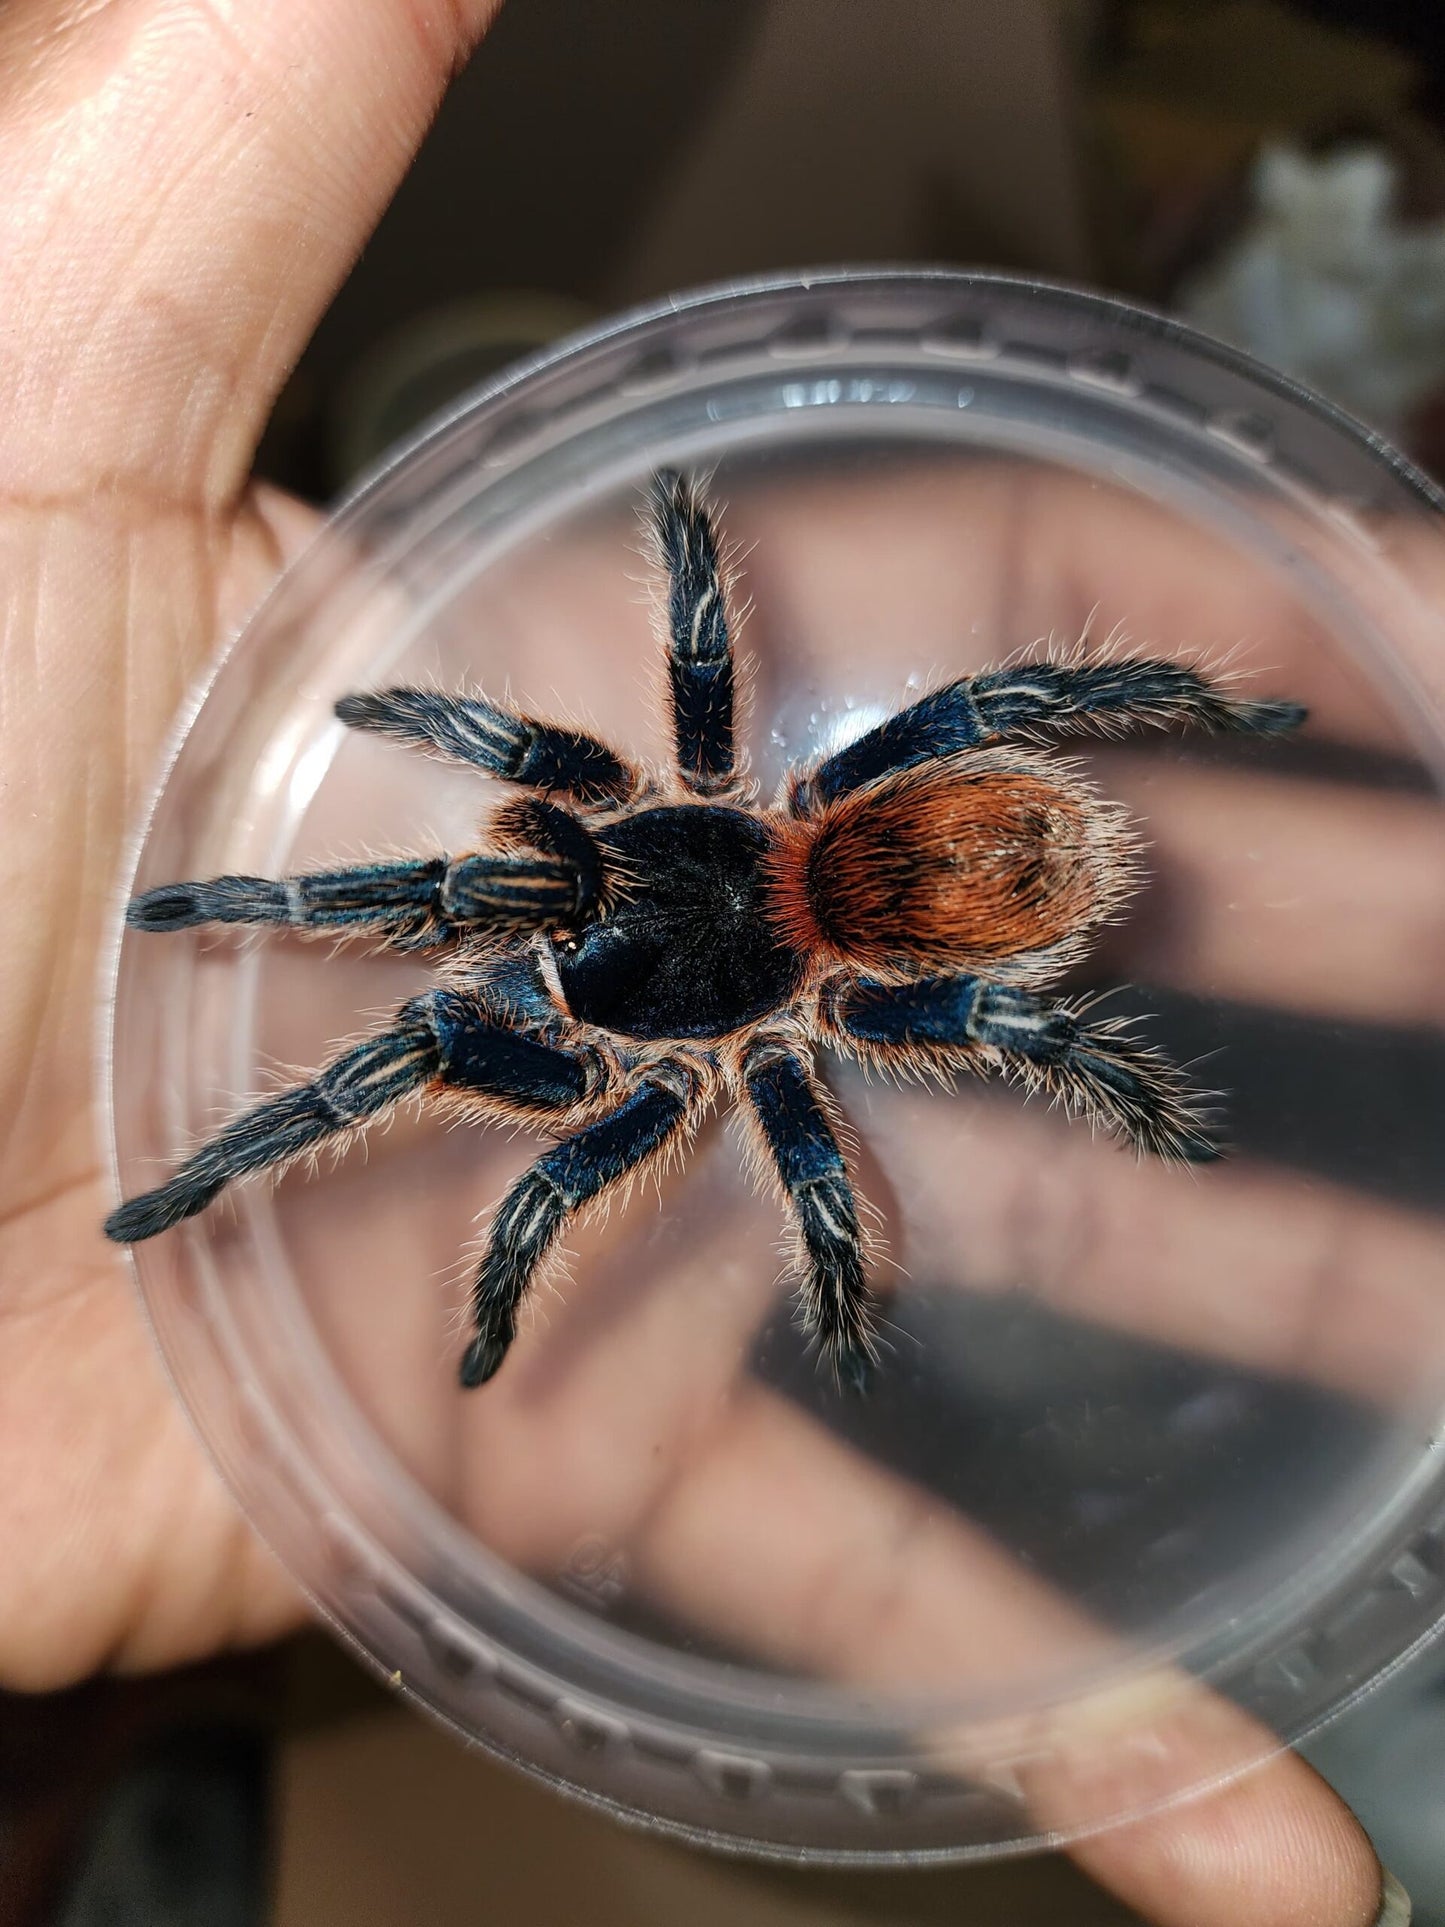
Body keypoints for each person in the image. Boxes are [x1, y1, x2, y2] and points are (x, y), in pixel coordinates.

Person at [0, 4, 1413, 1922]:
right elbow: (679, 638)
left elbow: (558, 1161)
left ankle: (217, 1049)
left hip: (873, 881)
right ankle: (214, 1001)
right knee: (955, 770)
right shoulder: (667, 863)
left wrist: (549, 1258)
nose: (526, 941)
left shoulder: (694, 970)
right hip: (852, 867)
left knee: (456, 1087)